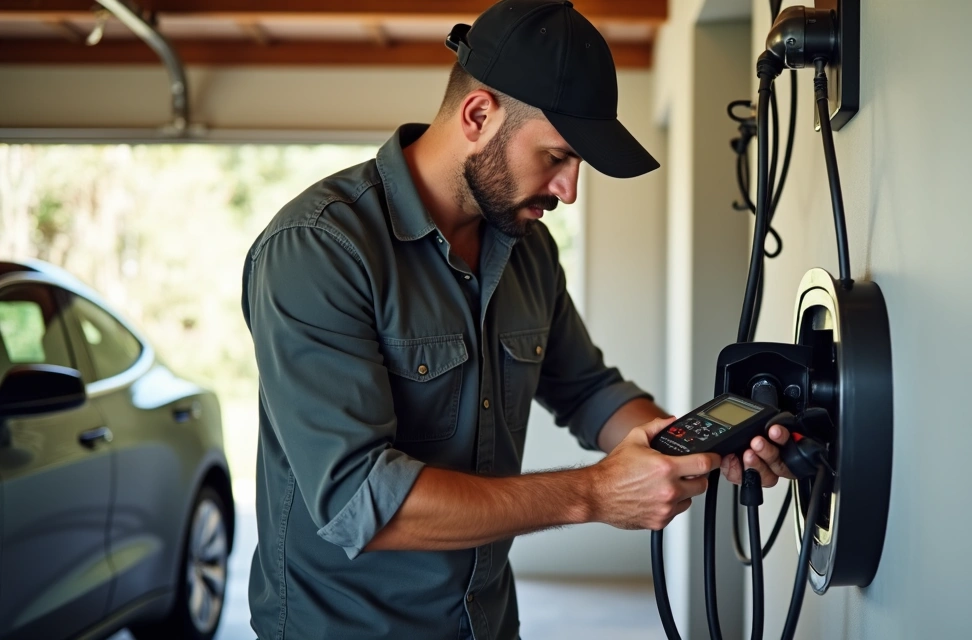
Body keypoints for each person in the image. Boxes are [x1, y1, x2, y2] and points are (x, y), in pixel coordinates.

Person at [241, 1, 793, 638]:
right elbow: (361, 503)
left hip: (487, 622)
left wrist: (681, 444)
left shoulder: (529, 249)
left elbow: (587, 390)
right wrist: (594, 493)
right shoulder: (318, 249)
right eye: (557, 156)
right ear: (479, 115)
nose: (569, 190)